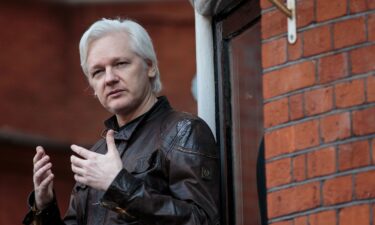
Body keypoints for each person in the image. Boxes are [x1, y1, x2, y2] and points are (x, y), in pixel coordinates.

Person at [22, 18, 220, 225]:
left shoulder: (183, 131)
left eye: (120, 64)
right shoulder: (98, 154)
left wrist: (118, 185)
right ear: (92, 85)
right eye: (98, 72)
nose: (109, 78)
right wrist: (44, 207)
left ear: (150, 66)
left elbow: (202, 220)